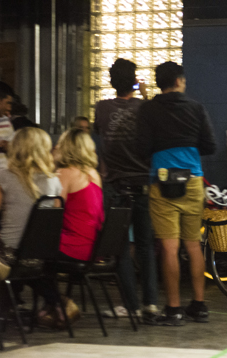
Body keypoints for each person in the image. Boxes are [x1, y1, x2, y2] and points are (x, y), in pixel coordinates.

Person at [137, 61, 216, 326]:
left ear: (160, 83)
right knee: (193, 244)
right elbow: (210, 145)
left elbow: (141, 147)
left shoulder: (148, 109)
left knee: (169, 247)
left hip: (162, 182)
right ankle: (199, 305)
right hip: (192, 180)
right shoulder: (196, 108)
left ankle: (173, 310)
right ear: (179, 81)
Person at [92, 58, 159, 321]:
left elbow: (100, 135)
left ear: (111, 81)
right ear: (133, 82)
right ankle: (151, 304)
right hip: (143, 184)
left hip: (115, 186)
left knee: (120, 247)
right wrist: (144, 93)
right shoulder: (145, 108)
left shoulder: (101, 108)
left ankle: (130, 305)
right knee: (146, 246)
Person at [0, 127, 78, 329]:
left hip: (7, 257)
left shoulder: (3, 176)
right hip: (40, 257)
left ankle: (5, 308)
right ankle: (54, 303)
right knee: (23, 261)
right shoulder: (54, 181)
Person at [55, 127, 104, 262]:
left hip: (73, 247)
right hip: (95, 247)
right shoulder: (94, 174)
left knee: (30, 242)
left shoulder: (65, 172)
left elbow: (54, 211)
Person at [0, 81, 15, 171]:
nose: (9, 108)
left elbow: (14, 145)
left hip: (5, 174)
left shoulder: (6, 120)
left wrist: (8, 146)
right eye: (8, 103)